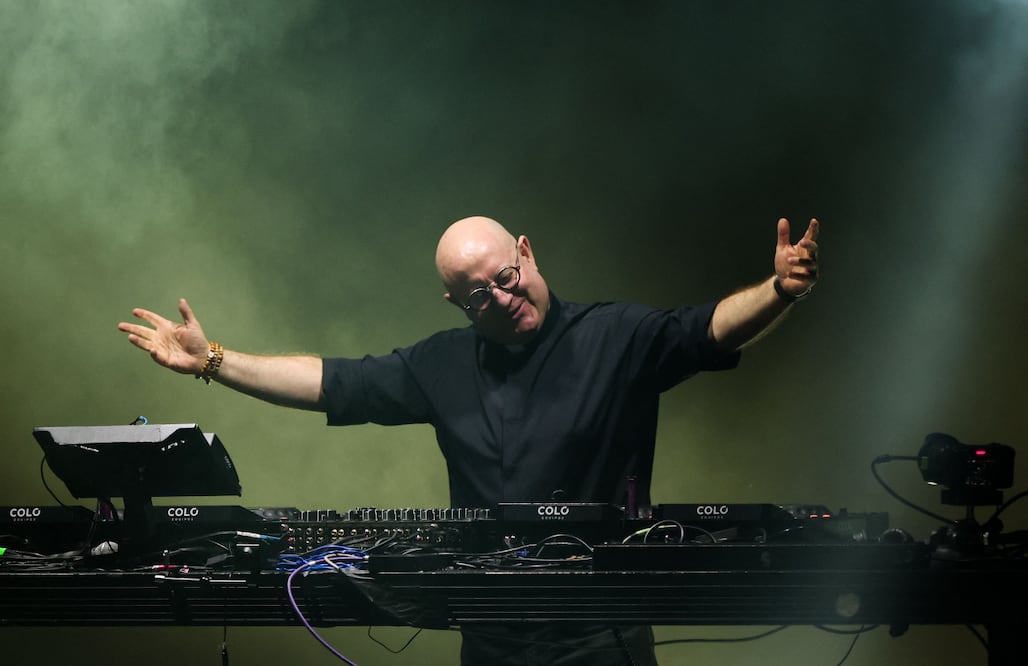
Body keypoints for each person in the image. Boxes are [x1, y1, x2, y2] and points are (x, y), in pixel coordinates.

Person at [118, 214, 819, 665]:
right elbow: (333, 383)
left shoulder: (616, 336)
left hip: (600, 632)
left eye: (506, 278)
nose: (503, 299)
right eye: (479, 295)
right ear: (458, 303)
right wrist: (213, 359)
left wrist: (780, 289)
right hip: (490, 634)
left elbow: (706, 330)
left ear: (526, 254)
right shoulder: (441, 364)